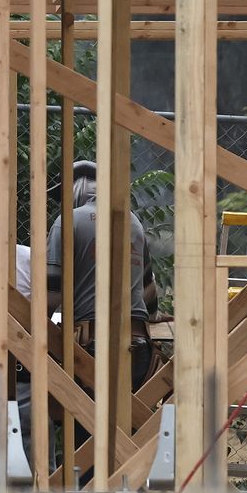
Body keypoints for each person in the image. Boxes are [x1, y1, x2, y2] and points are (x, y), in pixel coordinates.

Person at [46, 159, 155, 391]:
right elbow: (149, 295)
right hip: (138, 347)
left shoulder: (69, 220)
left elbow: (52, 291)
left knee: (80, 422)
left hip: (90, 346)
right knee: (127, 423)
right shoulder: (133, 222)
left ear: (74, 190)